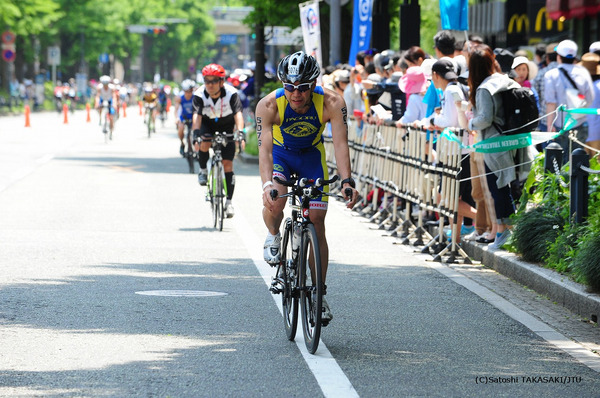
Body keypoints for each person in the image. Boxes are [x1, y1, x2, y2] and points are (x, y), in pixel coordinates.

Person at [256, 51, 359, 322]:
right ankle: (272, 233)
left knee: (317, 219)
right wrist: (267, 185)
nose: (296, 93)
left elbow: (340, 144)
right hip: (282, 156)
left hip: (312, 158)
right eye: (289, 87)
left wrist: (347, 180)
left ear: (314, 83)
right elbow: (264, 151)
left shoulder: (332, 102)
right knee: (276, 199)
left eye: (303, 87)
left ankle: (319, 294)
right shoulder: (268, 105)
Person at [464, 44, 536, 249]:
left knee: (499, 189)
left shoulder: (485, 87)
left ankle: (504, 234)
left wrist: (470, 123)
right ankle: (508, 232)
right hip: (513, 140)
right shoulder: (506, 81)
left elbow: (485, 118)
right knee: (508, 188)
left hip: (494, 144)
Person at [192, 63, 245, 218]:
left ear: (222, 82)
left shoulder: (231, 93)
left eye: (213, 81)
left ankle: (228, 203)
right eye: (206, 81)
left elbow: (238, 114)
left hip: (227, 124)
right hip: (207, 124)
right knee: (205, 141)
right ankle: (203, 170)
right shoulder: (199, 94)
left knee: (228, 164)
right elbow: (197, 116)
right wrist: (196, 133)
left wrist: (240, 132)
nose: (209, 84)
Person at [544, 39, 595, 161]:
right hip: (581, 123)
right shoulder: (583, 72)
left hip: (560, 125)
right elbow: (590, 98)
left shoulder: (551, 74)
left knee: (559, 162)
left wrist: (550, 126)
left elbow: (551, 102)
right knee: (578, 161)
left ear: (558, 57)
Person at [174, 79, 196, 156]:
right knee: (181, 128)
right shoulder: (180, 98)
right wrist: (176, 118)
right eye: (186, 91)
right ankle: (182, 143)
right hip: (183, 116)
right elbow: (176, 110)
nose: (188, 93)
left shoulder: (195, 97)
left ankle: (196, 149)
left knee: (196, 130)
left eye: (190, 91)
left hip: (193, 116)